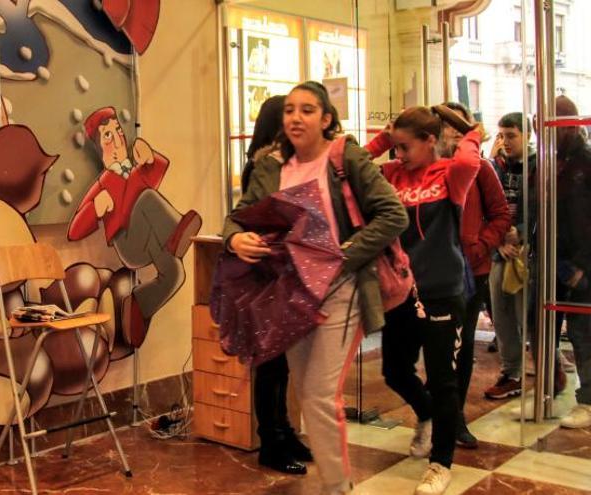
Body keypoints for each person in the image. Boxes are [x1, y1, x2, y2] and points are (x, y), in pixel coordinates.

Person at [223, 81, 408, 495]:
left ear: (326, 119)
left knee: (320, 395)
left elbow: (393, 215)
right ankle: (334, 483)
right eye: (289, 110)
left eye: (307, 110)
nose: (295, 118)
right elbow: (238, 216)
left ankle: (337, 487)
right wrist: (236, 238)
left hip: (342, 290)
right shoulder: (272, 166)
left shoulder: (345, 156)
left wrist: (344, 254)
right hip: (292, 295)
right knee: (306, 394)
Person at [371, 105, 481, 495]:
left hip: (441, 291)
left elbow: (472, 151)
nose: (399, 155)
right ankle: (428, 415)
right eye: (395, 148)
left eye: (405, 147)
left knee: (442, 380)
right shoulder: (391, 174)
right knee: (394, 372)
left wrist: (464, 126)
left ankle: (440, 464)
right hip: (400, 291)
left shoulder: (451, 173)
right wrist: (386, 137)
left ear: (430, 140)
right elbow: (348, 169)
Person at [68, 107, 201, 342]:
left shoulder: (136, 172)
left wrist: (150, 158)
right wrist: (95, 208)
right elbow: (75, 230)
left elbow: (159, 169)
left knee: (175, 272)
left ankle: (139, 305)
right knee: (147, 198)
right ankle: (177, 232)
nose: (118, 137)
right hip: (130, 243)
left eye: (118, 130)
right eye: (108, 135)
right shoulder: (103, 183)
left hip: (152, 236)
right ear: (99, 145)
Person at [239, 95, 313, 475]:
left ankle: (284, 431)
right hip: (267, 274)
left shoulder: (283, 162)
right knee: (270, 365)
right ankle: (271, 440)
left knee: (281, 365)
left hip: (283, 272)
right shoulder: (264, 167)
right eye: (289, 115)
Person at [443, 102, 510, 448]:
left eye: (457, 128)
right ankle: (439, 413)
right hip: (434, 272)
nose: (450, 135)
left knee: (462, 345)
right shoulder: (432, 170)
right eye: (445, 128)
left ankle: (454, 417)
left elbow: (501, 214)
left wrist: (479, 246)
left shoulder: (481, 168)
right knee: (436, 347)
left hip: (471, 270)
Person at [484, 112, 539, 401]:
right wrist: (497, 243)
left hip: (525, 251)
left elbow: (542, 206)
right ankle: (511, 371)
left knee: (526, 315)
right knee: (501, 315)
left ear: (526, 135)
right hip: (499, 251)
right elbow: (484, 207)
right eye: (502, 135)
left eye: (511, 135)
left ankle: (548, 368)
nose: (505, 142)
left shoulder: (537, 165)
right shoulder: (495, 167)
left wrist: (521, 233)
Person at [551, 95, 591, 429]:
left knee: (581, 331)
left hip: (580, 261)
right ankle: (547, 391)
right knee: (544, 329)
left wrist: (582, 264)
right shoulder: (552, 161)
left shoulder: (585, 161)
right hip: (553, 256)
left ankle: (588, 399)